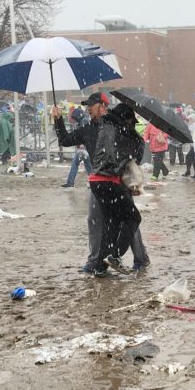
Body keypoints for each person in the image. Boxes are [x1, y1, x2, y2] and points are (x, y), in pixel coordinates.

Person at [52, 93, 150, 273]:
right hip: (101, 181)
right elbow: (65, 140)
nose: (88, 108)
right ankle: (98, 262)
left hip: (117, 182)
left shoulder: (117, 125)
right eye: (87, 105)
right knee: (99, 221)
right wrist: (58, 120)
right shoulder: (89, 128)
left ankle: (139, 257)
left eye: (91, 105)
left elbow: (136, 152)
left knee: (126, 222)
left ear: (103, 106)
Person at [87, 101, 146, 276]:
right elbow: (132, 157)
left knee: (111, 223)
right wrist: (136, 138)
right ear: (125, 119)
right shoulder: (122, 133)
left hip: (96, 181)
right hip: (109, 182)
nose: (131, 125)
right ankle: (115, 255)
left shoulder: (105, 126)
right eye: (131, 122)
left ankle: (100, 266)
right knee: (133, 217)